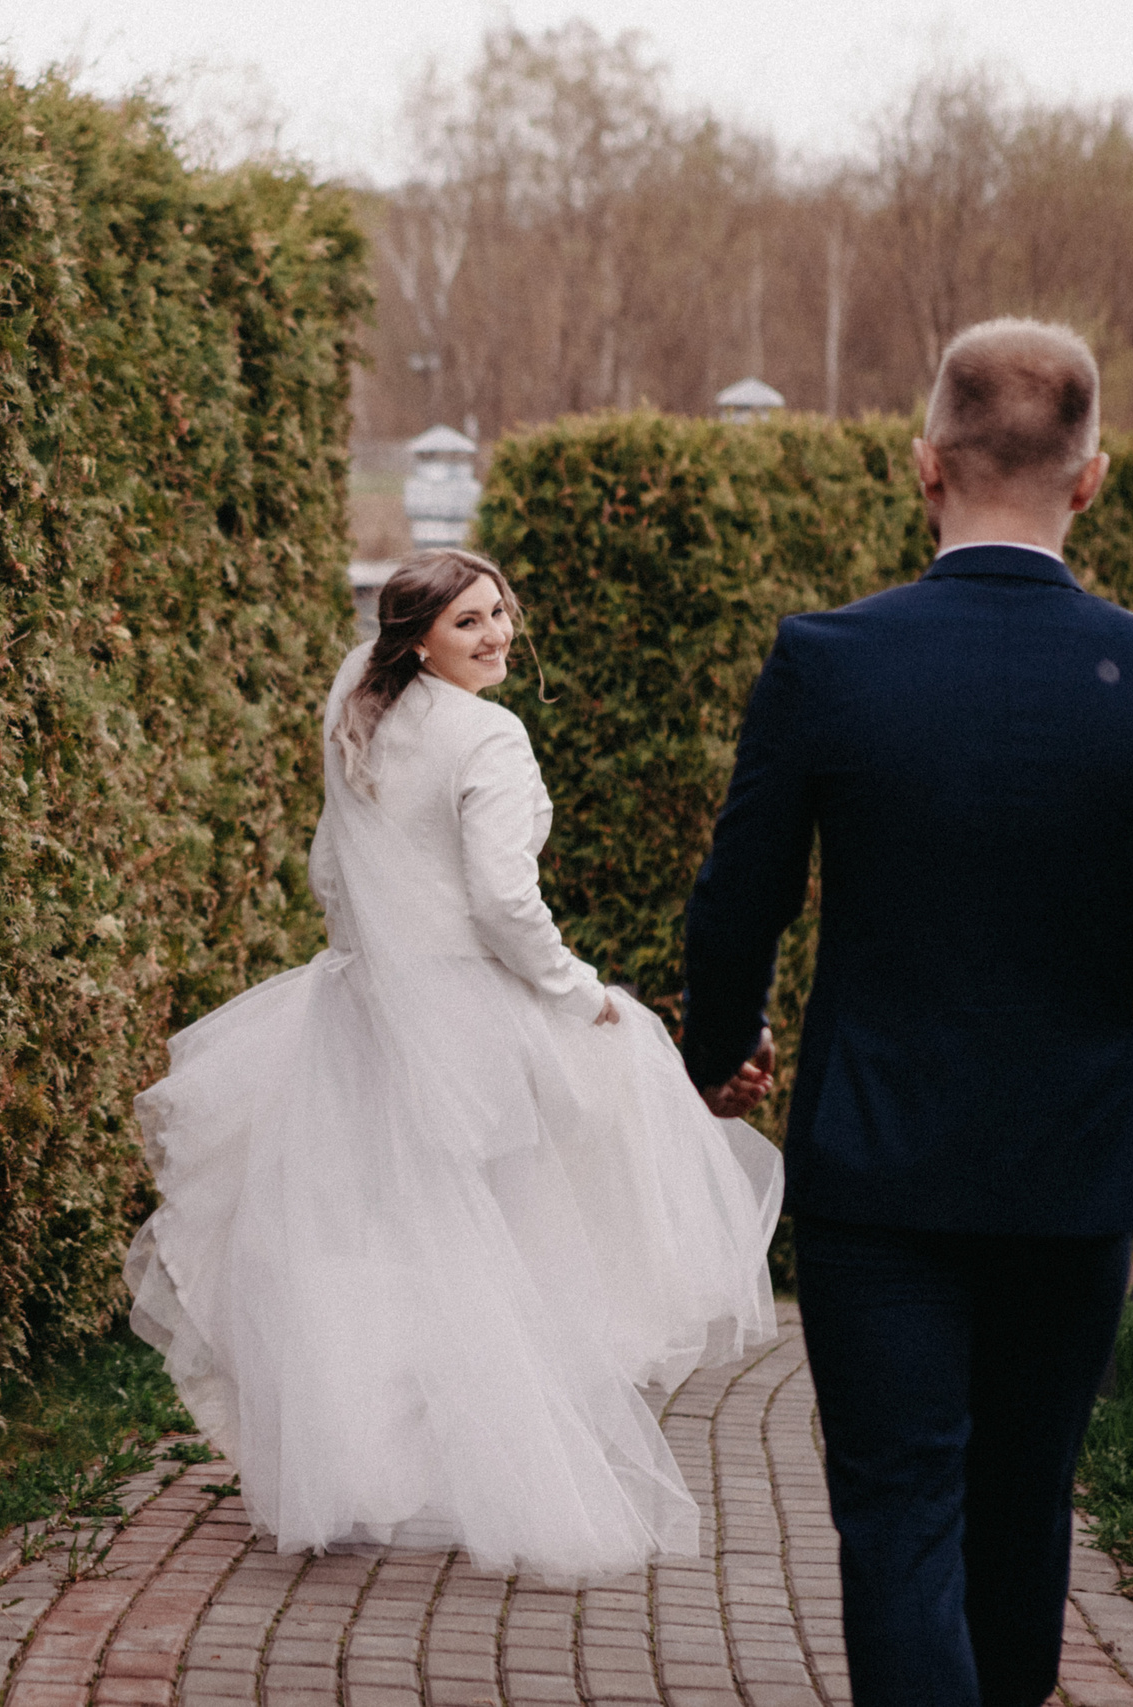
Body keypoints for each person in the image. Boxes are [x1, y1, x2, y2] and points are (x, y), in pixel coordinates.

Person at [680, 318, 1133, 1707]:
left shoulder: (827, 659)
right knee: (1022, 1507)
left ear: (922, 464)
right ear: (1092, 477)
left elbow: (737, 894)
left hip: (877, 1166)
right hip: (1068, 1168)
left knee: (898, 1519)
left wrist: (721, 1048)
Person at [127, 546, 783, 1582]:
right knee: (512, 1241)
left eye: (500, 612)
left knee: (367, 1244)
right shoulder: (490, 734)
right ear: (418, 639)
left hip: (357, 1011)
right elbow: (501, 899)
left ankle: (350, 1469)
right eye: (469, 622)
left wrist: (366, 954)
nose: (497, 635)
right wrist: (581, 996)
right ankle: (499, 1473)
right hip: (467, 1019)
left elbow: (326, 863)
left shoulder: (359, 704)